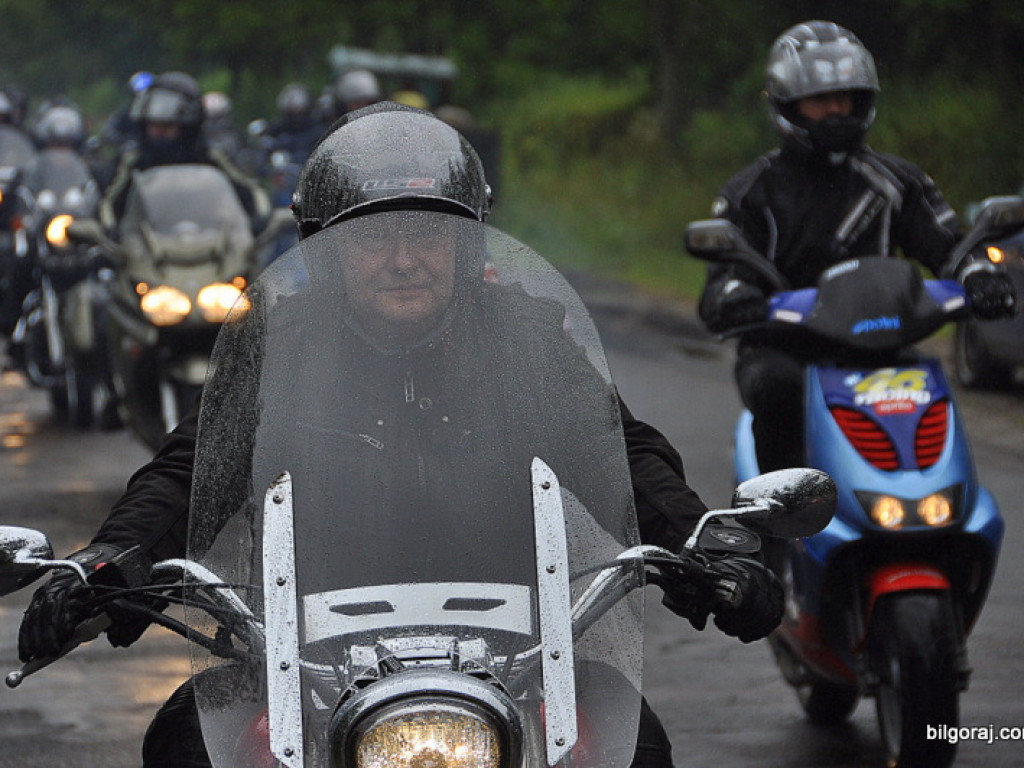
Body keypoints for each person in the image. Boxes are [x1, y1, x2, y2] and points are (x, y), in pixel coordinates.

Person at [19, 103, 782, 768]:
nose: (404, 260)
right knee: (183, 743)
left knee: (636, 746)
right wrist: (105, 559)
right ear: (324, 249)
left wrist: (703, 540)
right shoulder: (276, 347)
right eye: (372, 239)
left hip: (517, 657)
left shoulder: (525, 339)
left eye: (426, 234)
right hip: (303, 664)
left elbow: (621, 447)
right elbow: (185, 469)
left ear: (469, 243)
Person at [697, 20, 1016, 473]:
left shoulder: (899, 182)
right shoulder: (750, 192)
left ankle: (939, 500)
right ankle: (779, 525)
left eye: (845, 99)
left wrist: (980, 273)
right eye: (821, 101)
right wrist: (735, 297)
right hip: (789, 352)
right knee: (775, 384)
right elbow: (725, 280)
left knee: (929, 388)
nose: (836, 111)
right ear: (788, 104)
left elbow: (948, 245)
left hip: (883, 349)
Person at [99, 71, 269, 232]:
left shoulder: (210, 156)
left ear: (188, 126)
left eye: (167, 126)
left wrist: (259, 220)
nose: (158, 132)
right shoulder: (132, 160)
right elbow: (109, 202)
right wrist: (110, 231)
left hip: (209, 248)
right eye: (153, 125)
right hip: (147, 251)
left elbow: (249, 191)